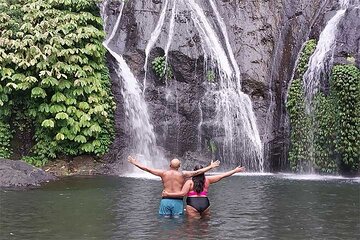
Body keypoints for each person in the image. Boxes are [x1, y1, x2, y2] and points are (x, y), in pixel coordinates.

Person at [128, 156, 220, 217]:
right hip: (177, 201)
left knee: (164, 222)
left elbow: (147, 169)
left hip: (165, 200)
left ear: (169, 165)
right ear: (179, 166)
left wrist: (135, 163)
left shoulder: (163, 173)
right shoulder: (182, 175)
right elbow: (197, 172)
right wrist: (210, 166)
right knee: (178, 223)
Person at [163, 165, 245, 218]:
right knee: (205, 227)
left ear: (194, 172)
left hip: (192, 204)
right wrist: (235, 170)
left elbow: (182, 194)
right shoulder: (208, 180)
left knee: (191, 228)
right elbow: (223, 175)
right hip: (205, 203)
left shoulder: (190, 182)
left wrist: (168, 194)